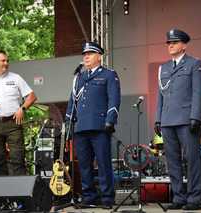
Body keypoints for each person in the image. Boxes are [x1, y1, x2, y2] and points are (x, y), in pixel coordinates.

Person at [154, 29, 201, 210]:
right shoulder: (164, 68)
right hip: (168, 120)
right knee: (173, 162)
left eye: (174, 42)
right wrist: (158, 119)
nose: (170, 45)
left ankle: (194, 198)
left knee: (192, 160)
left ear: (184, 45)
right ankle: (179, 197)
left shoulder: (194, 63)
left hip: (186, 119)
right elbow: (160, 95)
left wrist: (195, 116)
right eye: (169, 43)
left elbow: (199, 92)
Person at [65, 41, 121, 209]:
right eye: (84, 54)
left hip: (100, 126)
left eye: (90, 54)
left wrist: (111, 120)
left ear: (99, 56)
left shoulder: (109, 75)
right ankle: (89, 197)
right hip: (80, 127)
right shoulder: (79, 78)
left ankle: (107, 198)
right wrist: (69, 122)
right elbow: (72, 101)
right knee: (84, 164)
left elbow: (114, 98)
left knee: (104, 164)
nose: (86, 57)